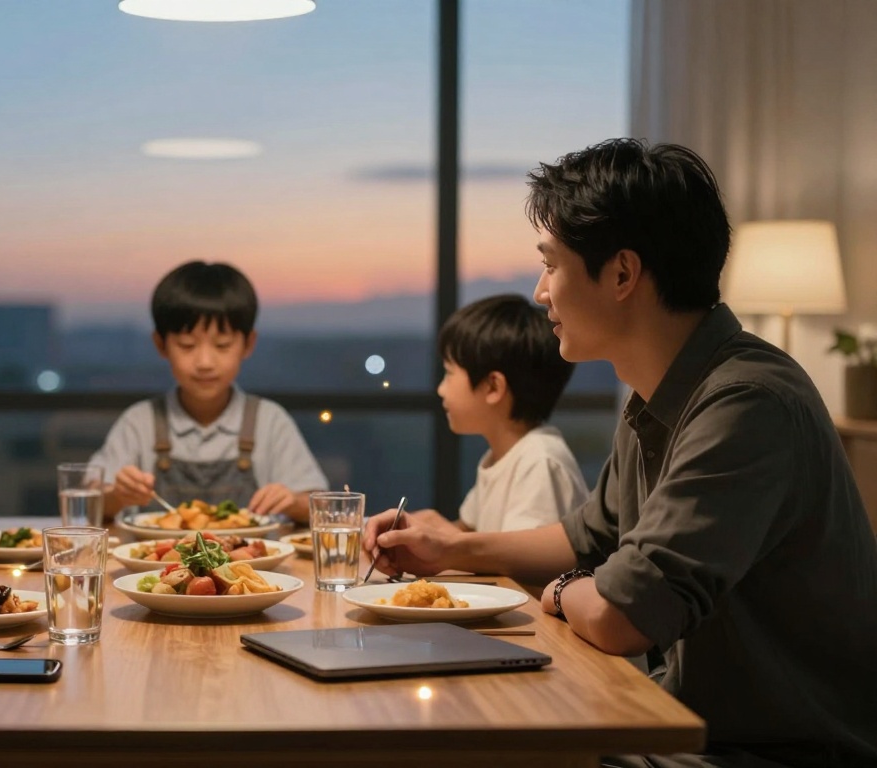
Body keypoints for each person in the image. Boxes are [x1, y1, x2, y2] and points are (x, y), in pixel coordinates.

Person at [362, 139, 877, 767]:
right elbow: (587, 535)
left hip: (761, 752)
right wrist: (448, 550)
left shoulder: (747, 403)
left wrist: (564, 590)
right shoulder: (658, 396)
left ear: (623, 274)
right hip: (675, 721)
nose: (541, 290)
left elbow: (617, 616)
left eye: (551, 265)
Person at [90, 260, 328, 523]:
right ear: (161, 345)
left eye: (222, 345)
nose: (205, 362)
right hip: (154, 562)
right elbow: (89, 502)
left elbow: (322, 509)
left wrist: (292, 502)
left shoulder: (269, 420)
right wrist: (118, 495)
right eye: (187, 345)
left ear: (248, 344)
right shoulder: (140, 421)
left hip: (252, 562)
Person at [436, 293, 587, 532]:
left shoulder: (539, 462)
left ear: (493, 387)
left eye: (449, 372)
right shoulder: (503, 455)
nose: (441, 389)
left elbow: (526, 563)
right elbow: (465, 532)